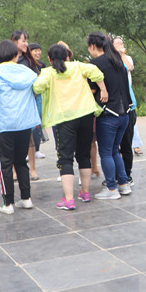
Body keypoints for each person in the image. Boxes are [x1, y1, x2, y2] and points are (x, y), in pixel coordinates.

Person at [33, 43, 105, 209]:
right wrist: (103, 89)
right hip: (86, 114)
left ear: (49, 59)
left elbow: (37, 87)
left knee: (65, 158)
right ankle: (85, 193)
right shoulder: (78, 67)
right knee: (84, 155)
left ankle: (69, 199)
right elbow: (96, 72)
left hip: (64, 118)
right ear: (67, 56)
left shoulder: (49, 72)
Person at [0, 40, 41, 214]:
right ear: (15, 55)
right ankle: (26, 198)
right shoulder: (27, 72)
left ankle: (8, 203)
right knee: (21, 161)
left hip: (4, 124)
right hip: (25, 123)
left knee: (5, 164)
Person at [87, 32, 132, 200]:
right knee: (114, 151)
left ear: (92, 46)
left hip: (108, 114)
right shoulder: (117, 60)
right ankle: (123, 184)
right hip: (124, 114)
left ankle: (111, 188)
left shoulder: (95, 64)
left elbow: (92, 90)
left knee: (106, 152)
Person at [13, 30, 41, 180]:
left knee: (29, 137)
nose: (26, 44)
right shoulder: (7, 59)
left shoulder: (29, 60)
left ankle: (32, 169)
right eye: (23, 41)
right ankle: (14, 171)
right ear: (14, 41)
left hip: (28, 102)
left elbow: (37, 81)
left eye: (26, 40)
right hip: (12, 104)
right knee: (12, 138)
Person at [113, 37, 138, 184]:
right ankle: (116, 175)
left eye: (121, 43)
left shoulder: (126, 58)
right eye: (116, 43)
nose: (119, 45)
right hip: (115, 106)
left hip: (128, 105)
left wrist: (121, 54)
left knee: (126, 144)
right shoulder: (109, 60)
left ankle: (127, 174)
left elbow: (128, 67)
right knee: (114, 146)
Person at [28, 42, 48, 160]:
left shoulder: (42, 65)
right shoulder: (27, 65)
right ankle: (28, 151)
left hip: (40, 97)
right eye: (35, 50)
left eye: (39, 50)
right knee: (29, 124)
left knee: (38, 124)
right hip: (30, 97)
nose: (38, 52)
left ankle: (37, 149)